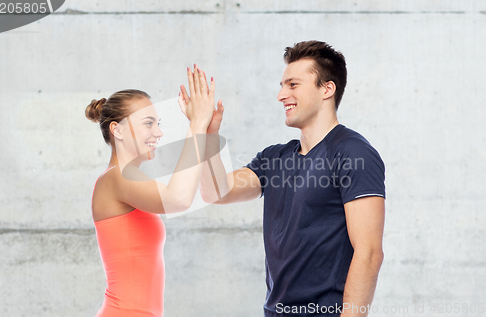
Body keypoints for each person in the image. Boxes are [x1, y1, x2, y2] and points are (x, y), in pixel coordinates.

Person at [181, 41, 385, 316]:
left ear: (327, 89)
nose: (280, 95)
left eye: (293, 85)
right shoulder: (274, 158)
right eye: (282, 85)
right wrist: (207, 133)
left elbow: (369, 254)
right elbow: (216, 192)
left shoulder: (352, 152)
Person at [86, 66, 217, 317]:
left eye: (158, 124)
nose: (158, 132)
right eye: (148, 123)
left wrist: (202, 128)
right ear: (118, 130)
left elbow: (185, 192)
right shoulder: (117, 177)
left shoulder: (125, 178)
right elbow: (178, 198)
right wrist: (197, 123)